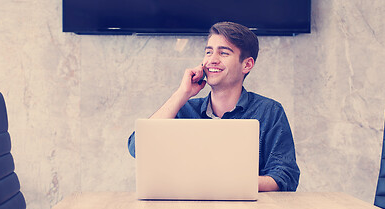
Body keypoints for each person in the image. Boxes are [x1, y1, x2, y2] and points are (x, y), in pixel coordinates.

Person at [128, 22, 300, 192]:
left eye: (223, 53)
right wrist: (182, 93)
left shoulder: (269, 111)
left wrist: (229, 182)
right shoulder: (184, 110)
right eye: (208, 52)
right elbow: (138, 147)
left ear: (246, 65)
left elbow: (286, 176)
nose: (212, 60)